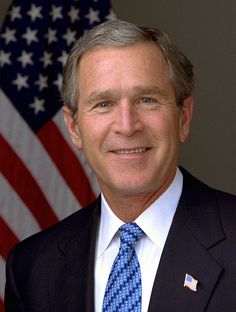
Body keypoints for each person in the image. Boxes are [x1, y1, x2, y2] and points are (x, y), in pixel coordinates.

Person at [4, 20, 236, 312]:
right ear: (74, 127)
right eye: (103, 104)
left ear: (183, 118)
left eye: (147, 99)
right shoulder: (32, 267)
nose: (127, 126)